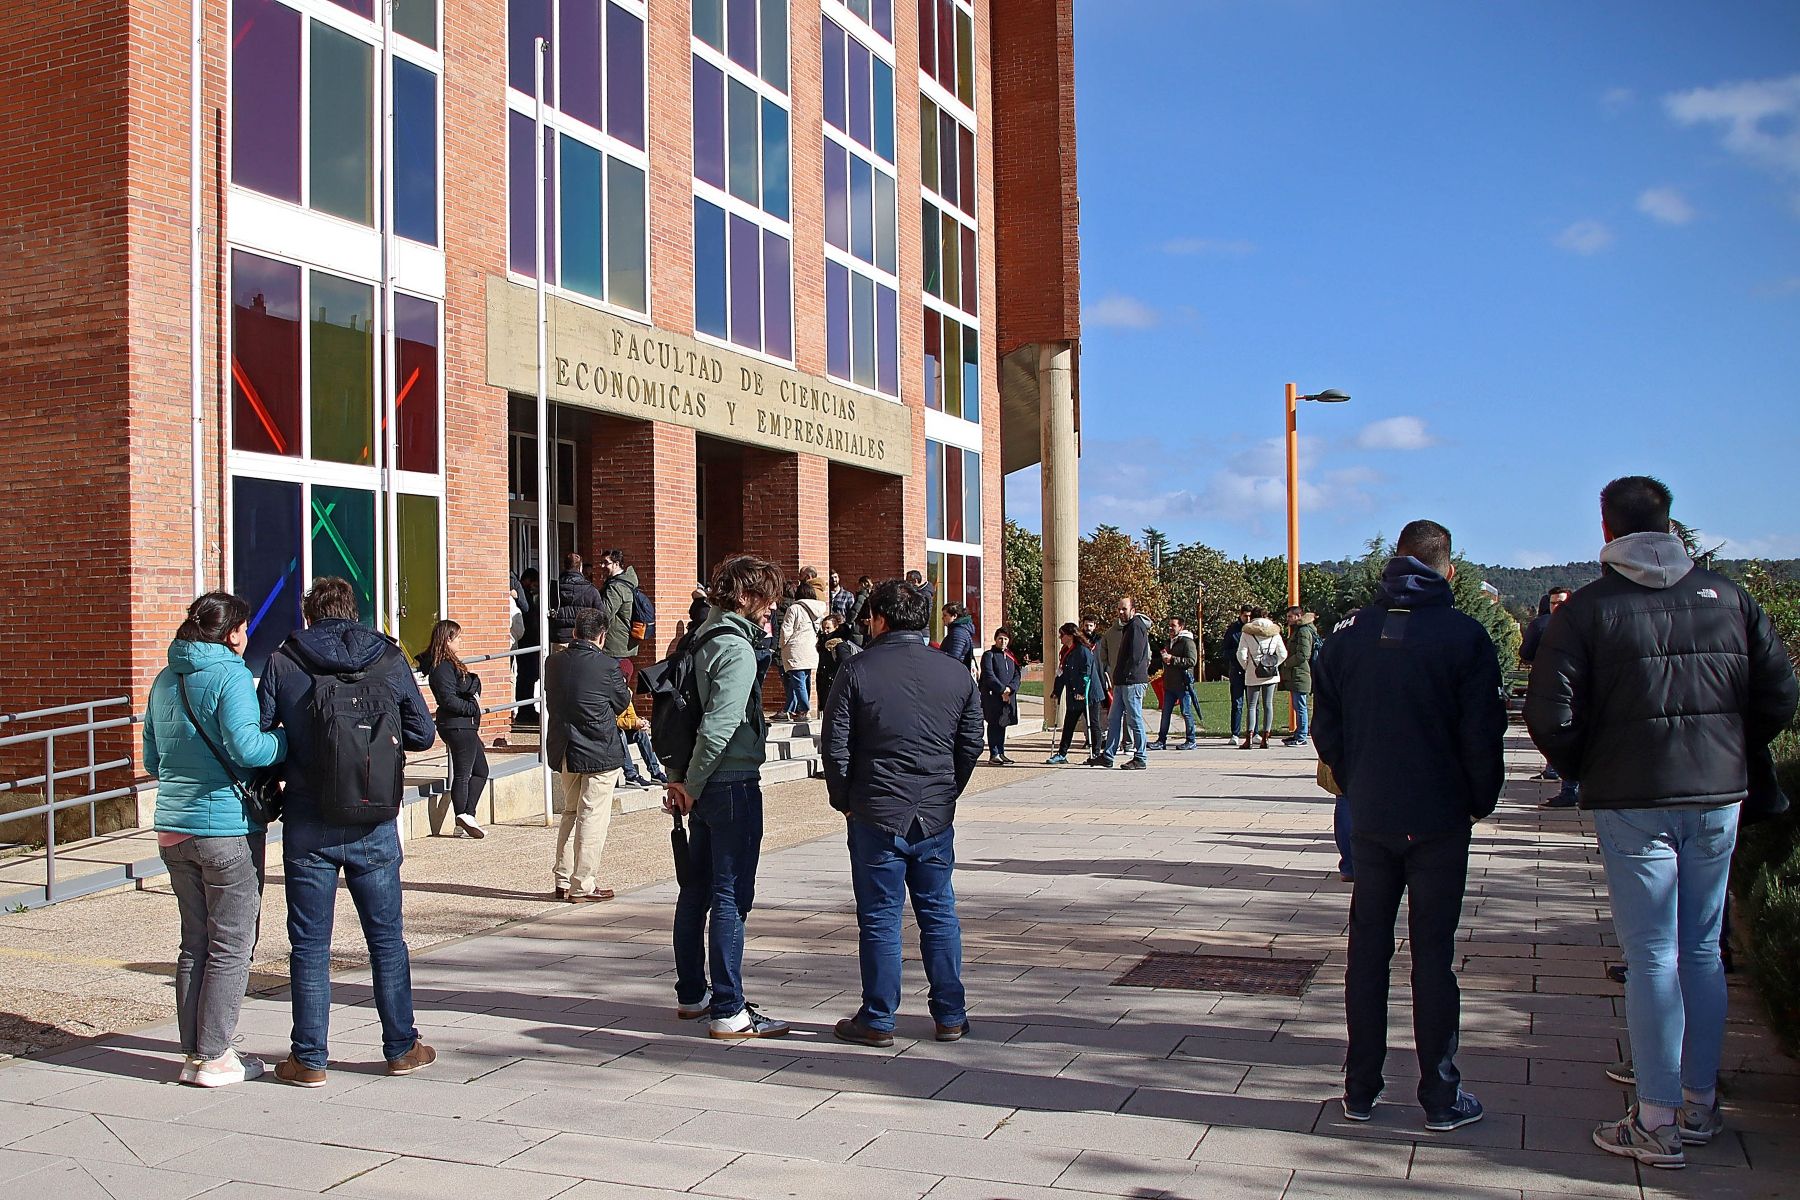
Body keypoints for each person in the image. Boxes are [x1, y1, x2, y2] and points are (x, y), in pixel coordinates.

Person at [1525, 477, 1797, 1168]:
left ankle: (1656, 1118)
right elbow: (1779, 695)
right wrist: (1730, 750)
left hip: (1633, 796)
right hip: (1715, 793)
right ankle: (1699, 1102)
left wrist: (1594, 762)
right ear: (1670, 522)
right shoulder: (1729, 598)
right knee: (1700, 948)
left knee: (1651, 954)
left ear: (1607, 526)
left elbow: (1550, 714)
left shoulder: (1589, 610)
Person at [1314, 519, 1503, 1135]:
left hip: (1371, 815)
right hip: (1439, 816)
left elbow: (1326, 727)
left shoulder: (1347, 636)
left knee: (1367, 951)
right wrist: (1479, 800)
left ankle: (1360, 1087)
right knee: (1434, 956)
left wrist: (1355, 777)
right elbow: (1482, 734)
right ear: (1448, 568)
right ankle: (1440, 1095)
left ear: (1396, 562)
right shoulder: (1465, 636)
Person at [258, 577, 436, 1087]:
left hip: (309, 819)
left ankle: (309, 1059)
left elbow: (266, 736)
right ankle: (401, 1047)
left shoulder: (285, 659)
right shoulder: (387, 656)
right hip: (375, 817)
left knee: (310, 944)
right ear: (354, 612)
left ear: (309, 614)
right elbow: (423, 733)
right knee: (386, 940)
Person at [821, 579, 982, 1046]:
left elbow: (835, 745)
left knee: (880, 916)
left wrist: (845, 800)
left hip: (876, 809)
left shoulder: (856, 669)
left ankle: (878, 1017)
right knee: (938, 912)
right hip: (931, 809)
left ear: (880, 619)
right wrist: (947, 790)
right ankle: (950, 1013)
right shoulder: (954, 672)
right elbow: (970, 742)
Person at [143, 592, 287, 1087]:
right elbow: (248, 748)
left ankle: (193, 1052)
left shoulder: (165, 678)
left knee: (194, 944)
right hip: (225, 829)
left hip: (172, 829)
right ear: (230, 633)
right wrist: (286, 740)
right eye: (244, 629)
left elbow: (150, 760)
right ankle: (216, 1055)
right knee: (231, 944)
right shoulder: (229, 674)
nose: (246, 638)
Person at [666, 555, 790, 1039]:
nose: (772, 606)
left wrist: (681, 780)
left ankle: (692, 993)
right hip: (730, 782)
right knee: (730, 896)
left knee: (695, 889)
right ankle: (729, 1007)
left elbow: (683, 712)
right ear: (745, 596)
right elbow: (719, 726)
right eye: (766, 596)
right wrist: (691, 786)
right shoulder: (735, 649)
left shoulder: (702, 634)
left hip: (701, 782)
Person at [545, 609, 633, 902]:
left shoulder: (553, 662)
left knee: (571, 812)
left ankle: (562, 879)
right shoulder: (608, 665)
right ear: (602, 636)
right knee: (592, 817)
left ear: (574, 633)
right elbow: (621, 703)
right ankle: (582, 884)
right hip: (598, 749)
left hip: (565, 747)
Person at [421, 620, 488, 839]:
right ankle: (463, 814)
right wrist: (471, 707)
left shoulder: (448, 664)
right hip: (458, 724)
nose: (461, 640)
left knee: (480, 770)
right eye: (457, 637)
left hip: (463, 724)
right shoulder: (441, 667)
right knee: (463, 772)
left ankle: (466, 816)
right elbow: (447, 698)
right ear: (448, 640)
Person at [1520, 587, 1577, 802]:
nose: (1556, 607)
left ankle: (1569, 788)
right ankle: (1564, 780)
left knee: (1558, 731)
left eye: (1560, 602)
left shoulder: (1541, 625)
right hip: (1553, 685)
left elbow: (1526, 653)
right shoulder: (1582, 623)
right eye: (1553, 603)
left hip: (1566, 686)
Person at [1099, 596, 1153, 770]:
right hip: (1122, 681)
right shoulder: (1128, 628)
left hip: (1132, 681)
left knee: (1134, 718)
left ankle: (1140, 756)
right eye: (1119, 609)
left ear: (1133, 610)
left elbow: (1136, 657)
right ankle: (1108, 755)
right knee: (1114, 717)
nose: (1121, 612)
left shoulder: (1136, 627)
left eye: (1124, 609)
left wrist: (1127, 675)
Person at [1047, 623, 1103, 764]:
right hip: (1074, 694)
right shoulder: (1065, 651)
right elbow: (1061, 673)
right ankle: (1061, 754)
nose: (1060, 637)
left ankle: (1096, 754)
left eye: (1062, 634)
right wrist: (1056, 691)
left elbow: (1086, 672)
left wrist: (1081, 691)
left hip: (1089, 694)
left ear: (1070, 635)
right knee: (1069, 724)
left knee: (1093, 723)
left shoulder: (1083, 650)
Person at [1236, 608, 1287, 750]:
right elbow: (1283, 653)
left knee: (1252, 706)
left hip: (1253, 672)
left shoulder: (1247, 632)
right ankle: (1265, 738)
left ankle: (1249, 738)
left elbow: (1241, 654)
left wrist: (1247, 666)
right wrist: (1273, 664)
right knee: (1268, 704)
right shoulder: (1274, 632)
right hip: (1270, 674)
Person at [1150, 615, 1200, 751]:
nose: (1170, 628)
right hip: (1169, 684)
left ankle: (1191, 739)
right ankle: (1161, 740)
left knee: (1186, 712)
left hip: (1183, 684)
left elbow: (1192, 661)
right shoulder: (1169, 642)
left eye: (1173, 625)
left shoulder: (1187, 642)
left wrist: (1173, 659)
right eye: (1170, 625)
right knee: (1165, 713)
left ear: (1181, 627)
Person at [778, 581, 828, 718]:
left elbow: (786, 629)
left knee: (797, 681)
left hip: (795, 648)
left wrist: (782, 644)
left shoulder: (794, 608)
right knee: (803, 681)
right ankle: (788, 709)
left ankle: (804, 710)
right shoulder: (818, 610)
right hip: (810, 648)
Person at [978, 627, 1022, 765]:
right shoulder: (988, 655)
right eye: (1000, 638)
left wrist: (1010, 689)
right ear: (995, 639)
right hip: (993, 697)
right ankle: (994, 753)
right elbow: (989, 676)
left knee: (1002, 724)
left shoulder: (1010, 657)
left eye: (1006, 639)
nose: (1003, 641)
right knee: (994, 724)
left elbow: (1017, 675)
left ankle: (1001, 752)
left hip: (1008, 697)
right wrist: (1002, 690)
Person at [1280, 606, 1319, 747]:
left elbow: (1303, 654)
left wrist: (1286, 663)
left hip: (1301, 673)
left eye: (1290, 616)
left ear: (1298, 616)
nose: (1288, 619)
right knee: (1297, 705)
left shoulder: (1303, 631)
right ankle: (1299, 733)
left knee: (1300, 705)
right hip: (1296, 674)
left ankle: (1302, 736)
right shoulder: (1299, 630)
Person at [549, 552, 605, 646]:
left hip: (559, 638)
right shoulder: (591, 590)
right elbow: (601, 617)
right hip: (583, 641)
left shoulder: (553, 588)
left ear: (565, 566)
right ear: (580, 567)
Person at [597, 548, 642, 658]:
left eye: (606, 563)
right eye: (601, 563)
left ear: (616, 564)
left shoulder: (616, 587)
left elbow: (605, 613)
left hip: (614, 645)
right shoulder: (627, 582)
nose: (602, 566)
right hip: (623, 642)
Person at [513, 567, 542, 726]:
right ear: (528, 581)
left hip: (531, 641)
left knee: (529, 677)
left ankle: (528, 708)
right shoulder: (523, 596)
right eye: (535, 583)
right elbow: (527, 616)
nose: (536, 586)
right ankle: (525, 710)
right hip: (526, 641)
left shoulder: (527, 595)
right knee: (525, 677)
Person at [1221, 604, 1253, 742]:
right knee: (1237, 702)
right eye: (1245, 615)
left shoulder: (1254, 629)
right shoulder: (1233, 630)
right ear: (1240, 615)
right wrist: (1239, 654)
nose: (1248, 618)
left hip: (1252, 670)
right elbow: (1224, 651)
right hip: (1237, 670)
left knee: (1253, 703)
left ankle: (1254, 731)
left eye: (1250, 616)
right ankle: (1235, 733)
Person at [618, 704, 669, 789]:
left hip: (622, 731)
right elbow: (610, 721)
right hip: (608, 734)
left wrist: (640, 722)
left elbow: (631, 716)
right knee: (619, 734)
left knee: (641, 733)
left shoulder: (626, 693)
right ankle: (631, 776)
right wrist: (634, 723)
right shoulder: (609, 694)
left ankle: (655, 773)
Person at [816, 612, 860, 704]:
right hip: (828, 680)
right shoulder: (823, 642)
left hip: (835, 680)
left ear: (836, 627)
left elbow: (845, 662)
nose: (825, 631)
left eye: (828, 628)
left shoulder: (839, 644)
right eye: (824, 628)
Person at [939, 602, 976, 666]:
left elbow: (953, 659)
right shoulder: (958, 630)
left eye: (945, 615)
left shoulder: (958, 633)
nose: (942, 618)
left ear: (955, 616)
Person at [846, 575, 875, 645]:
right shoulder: (872, 596)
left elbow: (854, 611)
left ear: (862, 584)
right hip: (869, 627)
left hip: (859, 627)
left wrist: (848, 622)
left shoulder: (861, 596)